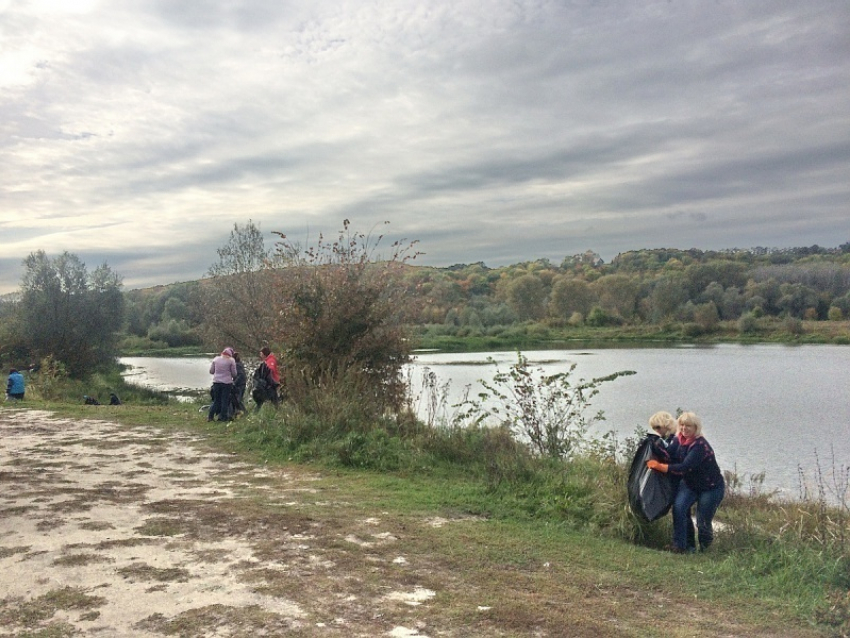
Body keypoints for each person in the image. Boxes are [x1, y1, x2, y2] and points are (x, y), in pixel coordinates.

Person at [647, 411, 725, 553]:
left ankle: (706, 551)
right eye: (682, 425)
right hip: (690, 484)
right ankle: (681, 546)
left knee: (702, 521)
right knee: (679, 508)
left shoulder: (700, 445)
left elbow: (683, 468)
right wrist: (653, 445)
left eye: (688, 426)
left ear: (696, 427)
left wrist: (660, 466)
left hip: (710, 487)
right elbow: (669, 455)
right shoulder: (679, 438)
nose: (684, 428)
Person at [208, 347, 237, 422]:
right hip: (227, 383)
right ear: (231, 354)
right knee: (224, 400)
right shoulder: (231, 360)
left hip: (216, 382)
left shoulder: (216, 359)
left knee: (216, 400)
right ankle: (222, 418)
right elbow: (234, 374)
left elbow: (211, 371)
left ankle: (210, 417)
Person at [230, 351, 247, 416]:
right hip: (242, 383)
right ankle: (236, 413)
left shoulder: (237, 365)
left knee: (238, 400)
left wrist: (234, 382)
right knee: (237, 400)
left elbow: (240, 375)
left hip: (240, 385)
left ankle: (245, 413)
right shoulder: (239, 363)